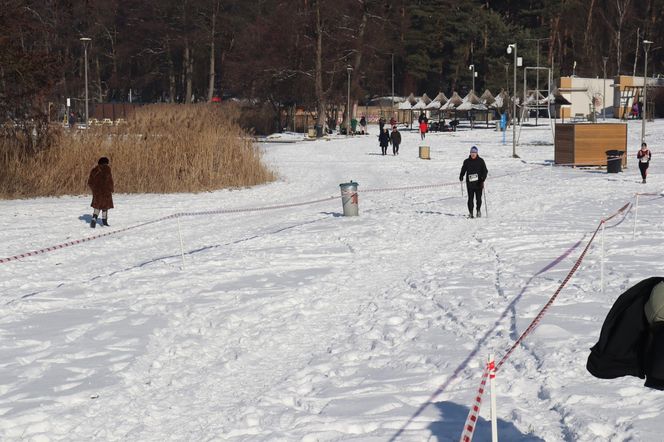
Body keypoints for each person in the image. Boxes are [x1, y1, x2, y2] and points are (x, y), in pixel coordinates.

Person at [459, 146, 488, 218]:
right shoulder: (466, 161)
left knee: (478, 199)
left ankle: (478, 210)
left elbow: (485, 171)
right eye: (472, 152)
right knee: (470, 199)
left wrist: (483, 178)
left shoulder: (481, 161)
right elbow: (463, 169)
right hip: (470, 184)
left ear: (477, 153)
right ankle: (471, 213)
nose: (473, 154)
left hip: (479, 183)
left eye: (474, 152)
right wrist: (461, 175)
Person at [87, 157, 114, 228]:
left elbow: (90, 182)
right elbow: (110, 181)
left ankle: (94, 218)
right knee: (105, 207)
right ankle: (104, 222)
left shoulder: (94, 170)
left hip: (97, 192)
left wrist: (94, 190)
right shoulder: (107, 169)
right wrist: (111, 189)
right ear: (106, 163)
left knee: (97, 206)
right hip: (106, 192)